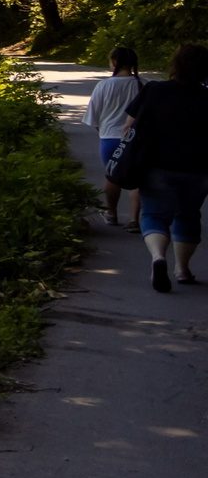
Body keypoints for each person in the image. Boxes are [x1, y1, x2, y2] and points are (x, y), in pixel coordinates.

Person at [121, 43, 208, 292]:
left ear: (175, 65)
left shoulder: (155, 91)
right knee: (188, 216)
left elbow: (129, 127)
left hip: (157, 167)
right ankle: (182, 270)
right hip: (199, 170)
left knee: (154, 215)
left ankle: (158, 257)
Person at [85, 45, 146, 225]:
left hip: (109, 138)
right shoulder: (143, 85)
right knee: (135, 178)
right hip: (137, 139)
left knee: (112, 176)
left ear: (114, 62)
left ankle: (112, 214)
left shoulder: (103, 86)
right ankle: (134, 219)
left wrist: (103, 131)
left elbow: (93, 117)